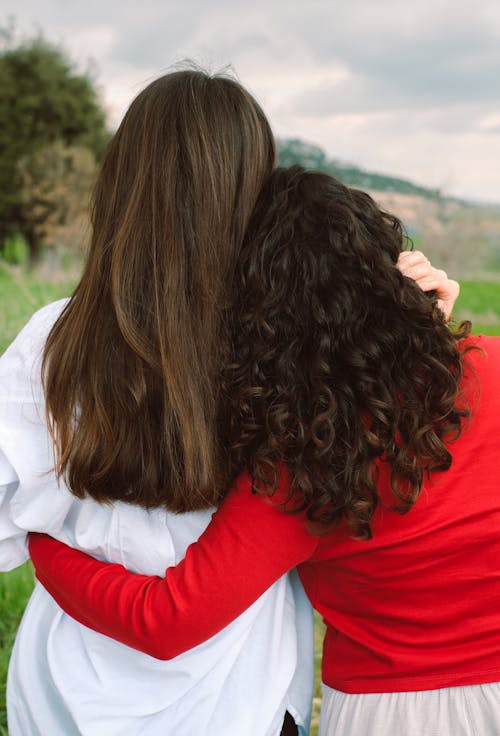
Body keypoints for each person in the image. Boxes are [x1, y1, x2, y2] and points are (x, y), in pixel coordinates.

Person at [0, 69, 456, 735]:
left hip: (68, 695)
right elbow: (380, 480)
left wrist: (49, 539)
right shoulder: (293, 338)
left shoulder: (50, 340)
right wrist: (412, 325)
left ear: (119, 187)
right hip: (240, 699)